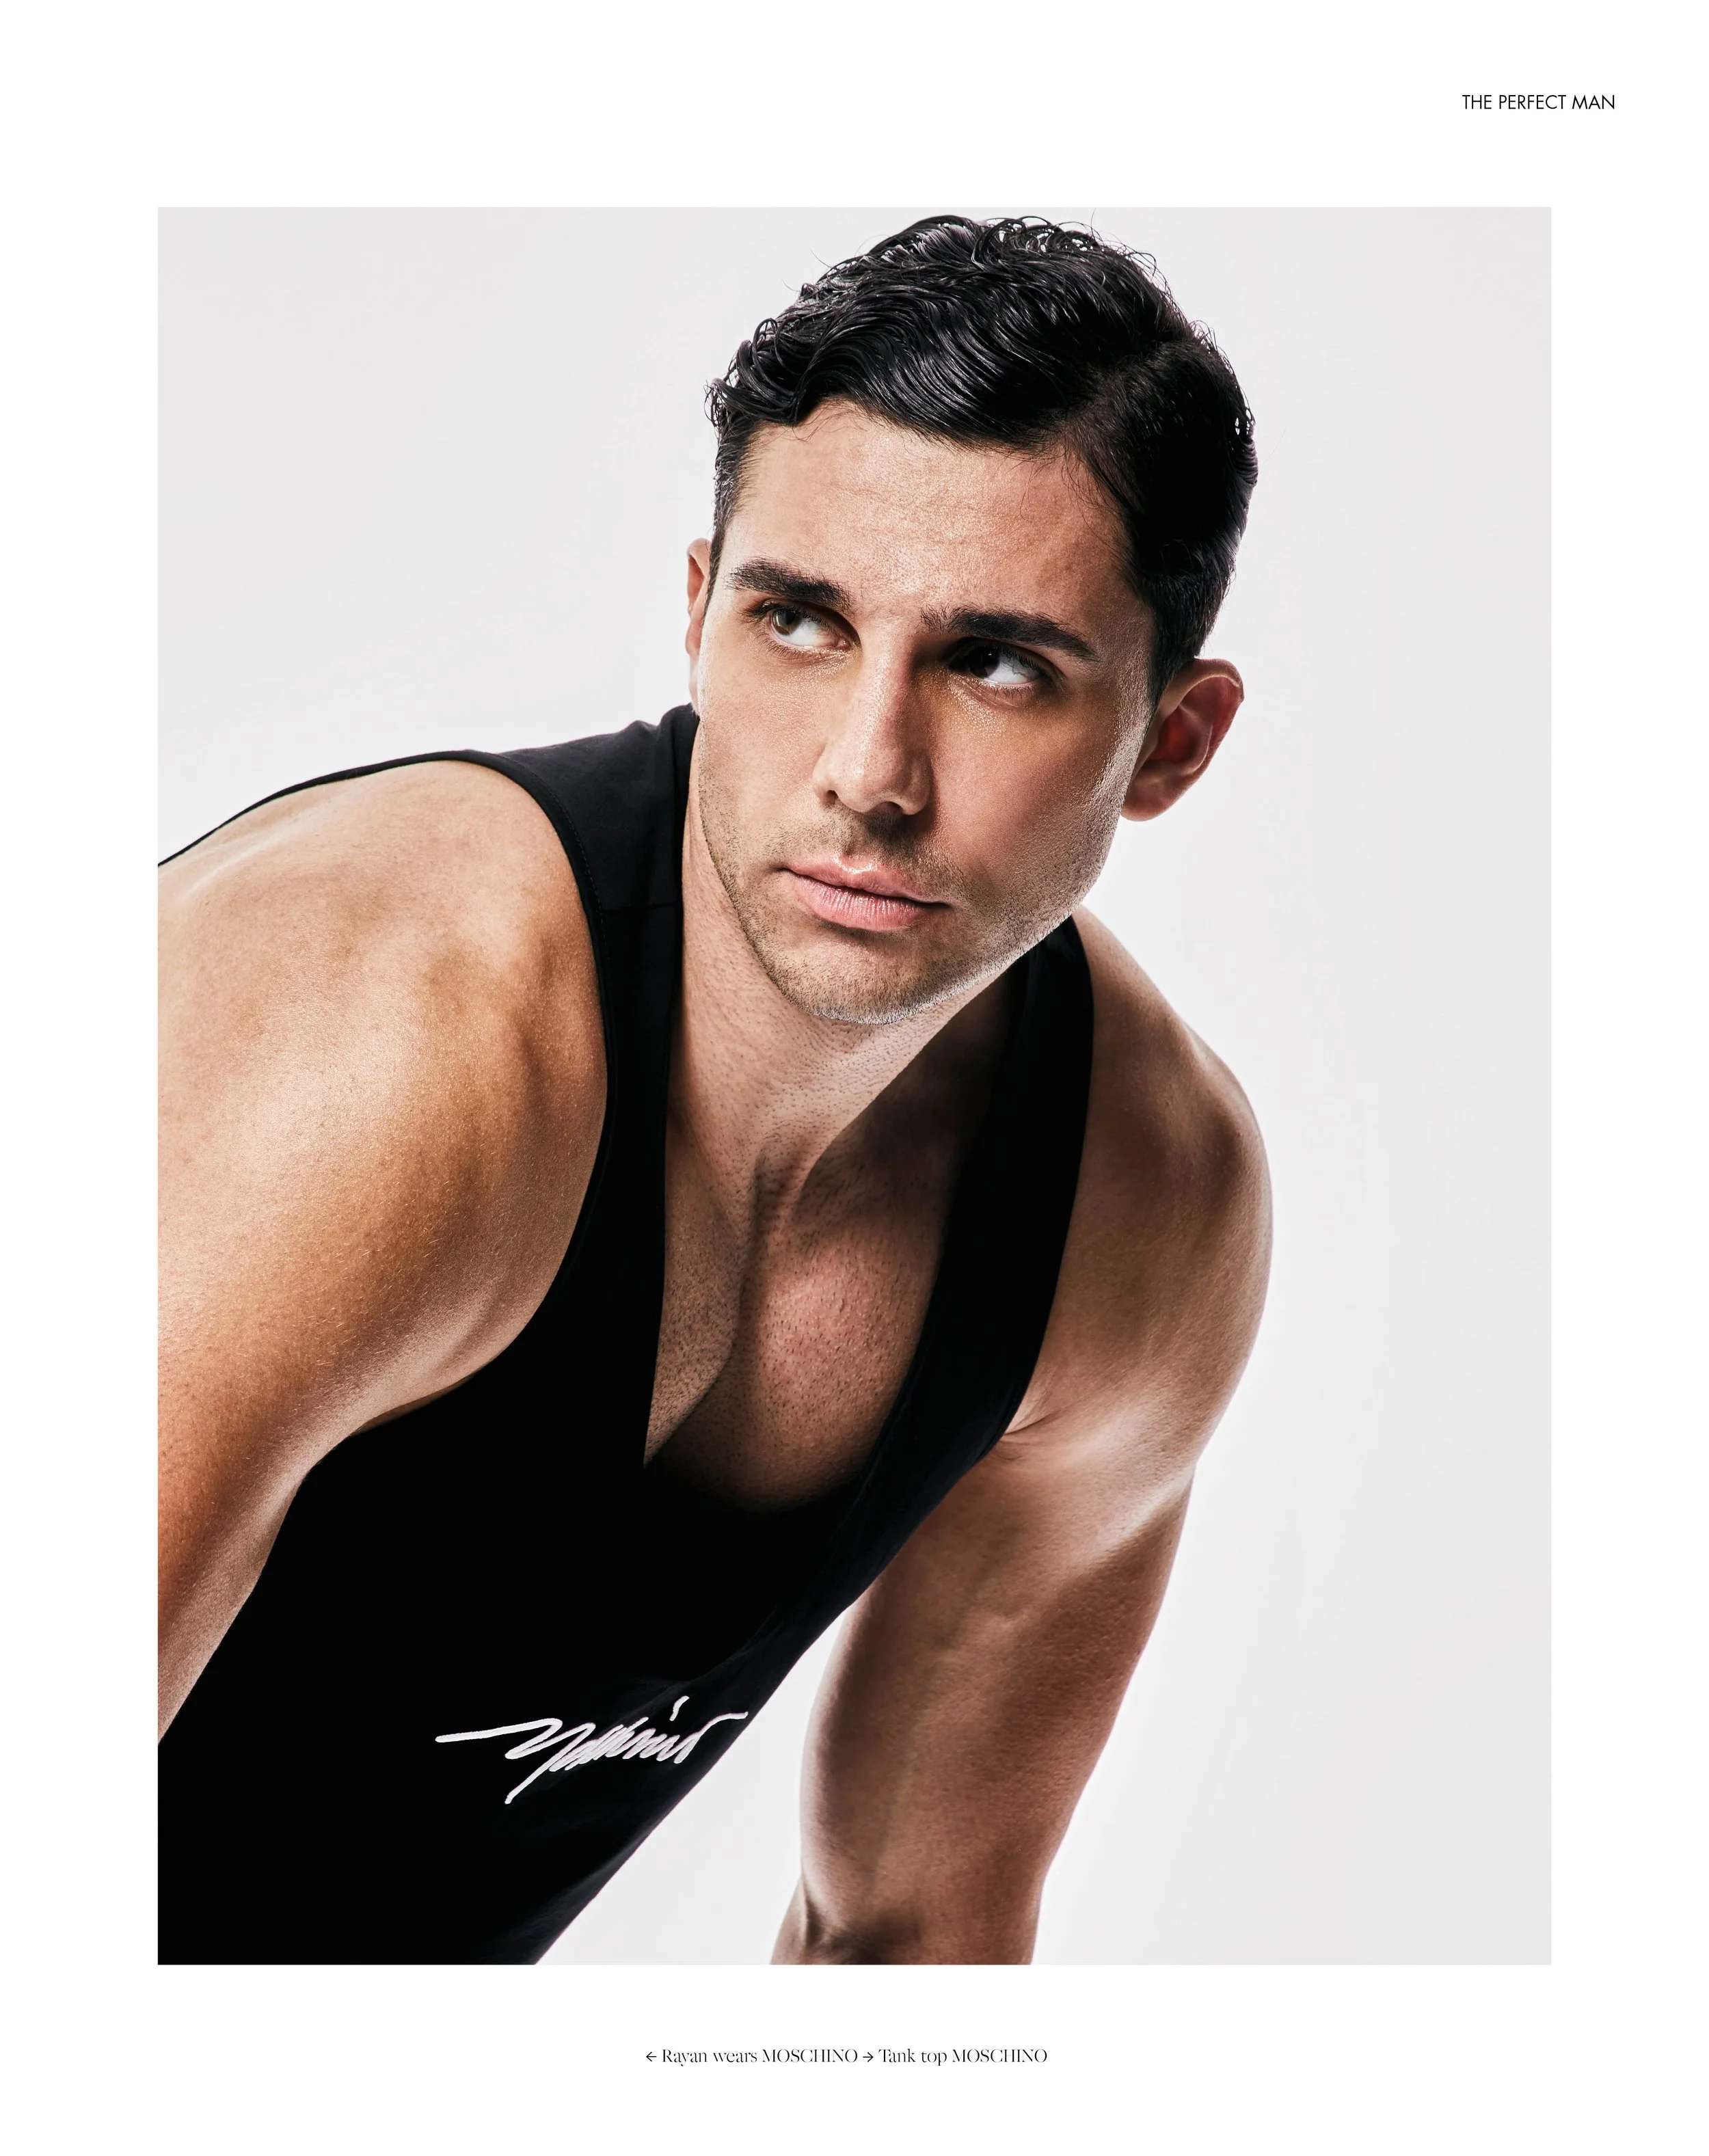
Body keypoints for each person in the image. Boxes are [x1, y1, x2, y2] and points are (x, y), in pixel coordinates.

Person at [157, 215, 1271, 1965]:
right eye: (801, 621)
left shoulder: (1132, 1209)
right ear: (697, 615)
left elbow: (905, 1946)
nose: (868, 772)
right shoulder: (386, 1041)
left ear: (1169, 740)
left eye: (994, 663)